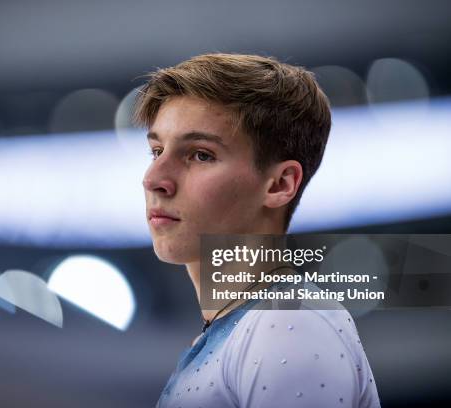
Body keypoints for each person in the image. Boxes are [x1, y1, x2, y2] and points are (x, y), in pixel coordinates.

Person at [134, 53, 381, 407]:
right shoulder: (249, 325)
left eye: (200, 155)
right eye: (156, 150)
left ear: (280, 184)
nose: (153, 178)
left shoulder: (286, 326)